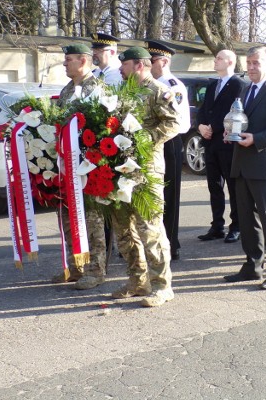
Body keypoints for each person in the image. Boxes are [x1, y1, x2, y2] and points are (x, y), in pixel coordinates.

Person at [112, 46, 181, 307]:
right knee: (124, 228)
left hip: (147, 169)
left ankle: (162, 286)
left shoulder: (158, 90)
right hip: (121, 169)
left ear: (139, 65)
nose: (120, 69)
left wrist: (144, 138)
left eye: (125, 64)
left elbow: (173, 123)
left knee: (150, 227)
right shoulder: (124, 91)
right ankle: (137, 281)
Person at [223, 46, 266, 289]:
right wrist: (229, 132)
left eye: (256, 63)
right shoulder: (244, 89)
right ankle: (252, 266)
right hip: (241, 164)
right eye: (249, 63)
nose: (251, 67)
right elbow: (239, 120)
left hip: (265, 166)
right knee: (246, 219)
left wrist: (257, 138)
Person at [53, 44, 107, 290]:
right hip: (66, 166)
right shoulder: (66, 90)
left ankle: (96, 271)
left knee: (92, 220)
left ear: (83, 60)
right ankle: (76, 267)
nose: (65, 64)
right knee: (67, 217)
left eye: (69, 60)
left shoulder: (97, 88)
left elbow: (103, 127)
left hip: (89, 167)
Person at [196, 50, 246, 243]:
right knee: (214, 186)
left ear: (230, 61)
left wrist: (213, 127)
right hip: (210, 143)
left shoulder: (238, 85)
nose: (215, 61)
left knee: (233, 187)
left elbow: (235, 112)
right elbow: (203, 110)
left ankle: (237, 226)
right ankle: (217, 225)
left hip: (227, 143)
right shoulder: (212, 85)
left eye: (219, 59)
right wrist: (201, 126)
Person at [147, 40, 190, 260]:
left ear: (163, 61)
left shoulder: (171, 86)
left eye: (151, 60)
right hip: (156, 142)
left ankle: (171, 244)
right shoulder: (152, 84)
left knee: (169, 195)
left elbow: (177, 122)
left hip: (170, 141)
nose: (148, 64)